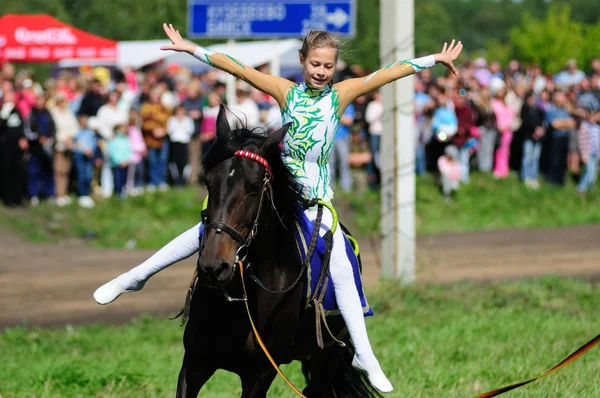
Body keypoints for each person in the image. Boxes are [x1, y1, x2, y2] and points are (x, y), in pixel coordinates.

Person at [93, 22, 463, 393]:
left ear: (334, 68)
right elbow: (237, 67)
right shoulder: (285, 91)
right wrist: (190, 49)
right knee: (208, 231)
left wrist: (435, 59)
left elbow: (389, 73)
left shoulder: (341, 96)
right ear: (302, 61)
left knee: (341, 263)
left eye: (328, 66)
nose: (321, 72)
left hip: (314, 202)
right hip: (278, 195)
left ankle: (364, 353)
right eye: (315, 64)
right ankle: (134, 277)